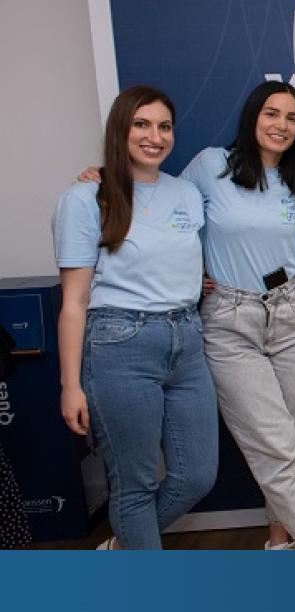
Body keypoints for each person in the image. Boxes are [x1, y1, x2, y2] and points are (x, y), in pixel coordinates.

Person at [53, 85, 217, 549]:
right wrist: (70, 385)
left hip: (187, 339)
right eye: (141, 125)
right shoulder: (85, 198)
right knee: (135, 484)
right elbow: (74, 301)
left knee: (197, 475)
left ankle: (123, 547)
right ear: (120, 130)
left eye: (164, 126)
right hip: (119, 343)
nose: (154, 136)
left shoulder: (187, 193)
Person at [181, 81, 295, 551]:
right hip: (230, 319)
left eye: (291, 118)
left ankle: (278, 539)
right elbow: (164, 209)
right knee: (273, 441)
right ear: (252, 117)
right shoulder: (211, 166)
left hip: (293, 311)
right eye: (271, 113)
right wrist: (103, 178)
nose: (281, 125)